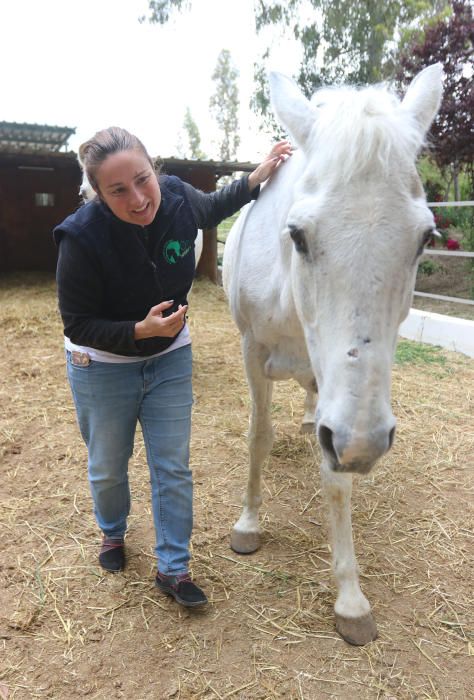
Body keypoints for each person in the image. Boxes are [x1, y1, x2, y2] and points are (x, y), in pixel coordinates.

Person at [54, 126, 291, 608]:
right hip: (101, 365)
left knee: (172, 467)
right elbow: (78, 323)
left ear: (155, 169)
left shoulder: (180, 199)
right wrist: (138, 332)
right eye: (118, 190)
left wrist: (258, 177)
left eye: (143, 179)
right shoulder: (80, 238)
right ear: (98, 193)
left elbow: (216, 205)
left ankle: (173, 567)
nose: (139, 198)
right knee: (107, 468)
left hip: (169, 358)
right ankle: (113, 532)